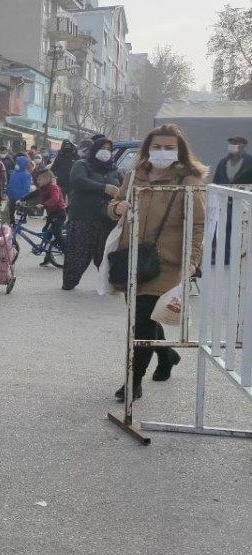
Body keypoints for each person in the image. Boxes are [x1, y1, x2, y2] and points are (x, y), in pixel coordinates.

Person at [108, 124, 207, 401]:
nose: (162, 152)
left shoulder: (189, 181)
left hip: (167, 263)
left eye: (168, 147)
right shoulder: (135, 175)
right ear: (148, 149)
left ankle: (133, 381)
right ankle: (167, 355)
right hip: (134, 258)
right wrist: (117, 208)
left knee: (141, 321)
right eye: (156, 146)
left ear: (179, 151)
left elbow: (197, 225)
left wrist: (192, 261)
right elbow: (114, 204)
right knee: (147, 317)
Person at [62, 136, 123, 291]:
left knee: (104, 255)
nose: (106, 152)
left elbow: (124, 187)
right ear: (95, 149)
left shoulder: (115, 170)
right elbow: (78, 180)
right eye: (103, 148)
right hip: (83, 218)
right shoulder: (82, 164)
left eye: (109, 149)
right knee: (78, 254)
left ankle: (109, 285)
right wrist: (103, 188)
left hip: (107, 220)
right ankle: (69, 283)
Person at [32, 166, 67, 266]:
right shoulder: (43, 187)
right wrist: (22, 199)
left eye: (39, 179)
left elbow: (55, 199)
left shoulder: (53, 187)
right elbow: (33, 194)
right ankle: (48, 257)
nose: (38, 181)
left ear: (47, 178)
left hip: (59, 213)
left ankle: (68, 254)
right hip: (51, 214)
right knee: (46, 234)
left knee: (57, 233)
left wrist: (44, 205)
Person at [6, 154, 33, 223]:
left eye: (17, 163)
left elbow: (26, 188)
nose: (16, 164)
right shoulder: (14, 172)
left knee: (20, 214)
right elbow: (10, 183)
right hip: (12, 197)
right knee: (11, 213)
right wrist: (7, 193)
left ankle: (22, 220)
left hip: (20, 198)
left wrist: (23, 199)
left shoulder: (26, 174)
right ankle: (12, 222)